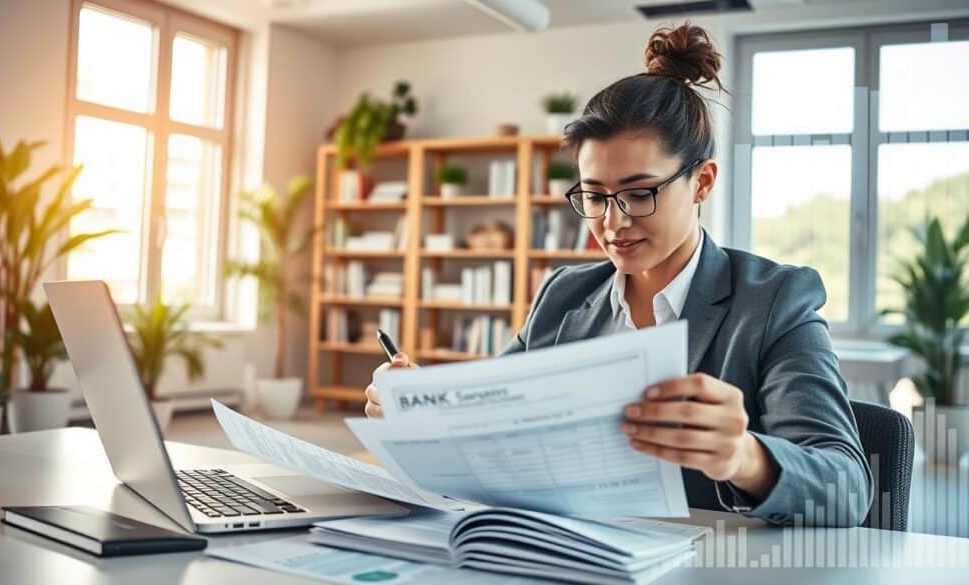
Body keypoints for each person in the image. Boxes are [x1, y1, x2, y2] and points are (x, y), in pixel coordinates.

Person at [364, 23, 872, 527]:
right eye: (595, 196)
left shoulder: (774, 301)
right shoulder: (564, 295)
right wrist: (422, 416)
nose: (612, 222)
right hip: (568, 553)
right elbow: (495, 435)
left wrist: (743, 456)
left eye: (638, 193)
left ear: (702, 182)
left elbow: (846, 488)